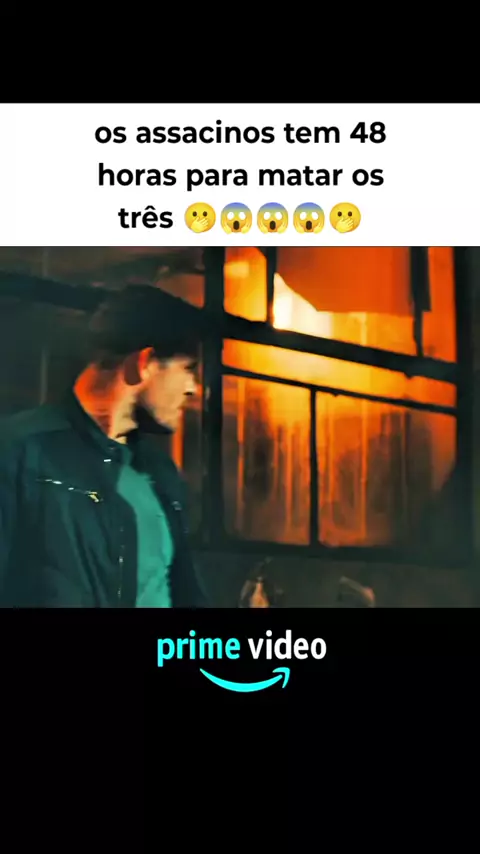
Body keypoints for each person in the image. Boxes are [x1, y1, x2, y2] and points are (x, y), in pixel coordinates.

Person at [0, 284, 209, 608]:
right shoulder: (19, 452)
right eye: (188, 369)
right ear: (144, 363)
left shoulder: (160, 473)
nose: (193, 388)